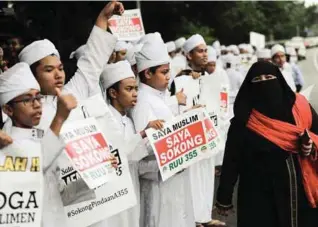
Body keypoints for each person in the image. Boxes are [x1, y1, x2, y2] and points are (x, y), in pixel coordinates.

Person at [216, 61, 318, 227]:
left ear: (278, 79)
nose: (264, 83)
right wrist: (224, 197)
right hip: (258, 194)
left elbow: (316, 135)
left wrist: (310, 145)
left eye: (269, 77)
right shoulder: (243, 119)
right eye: (258, 80)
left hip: (297, 190)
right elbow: (231, 160)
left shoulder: (300, 107)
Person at [0, 63, 77, 225]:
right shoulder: (6, 144)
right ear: (8, 109)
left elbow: (66, 188)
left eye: (38, 97)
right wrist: (60, 117)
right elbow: (38, 163)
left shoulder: (42, 137)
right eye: (27, 100)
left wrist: (98, 169)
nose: (36, 104)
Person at [131, 33, 195, 227]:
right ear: (147, 73)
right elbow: (140, 149)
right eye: (164, 72)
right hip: (158, 183)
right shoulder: (141, 100)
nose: (169, 77)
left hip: (174, 178)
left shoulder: (160, 97)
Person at [100, 60, 164, 227]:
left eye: (136, 88)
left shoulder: (128, 121)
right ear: (113, 93)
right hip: (111, 195)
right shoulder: (104, 121)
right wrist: (143, 133)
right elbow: (120, 154)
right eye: (129, 89)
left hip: (131, 192)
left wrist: (162, 166)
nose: (135, 93)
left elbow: (135, 164)